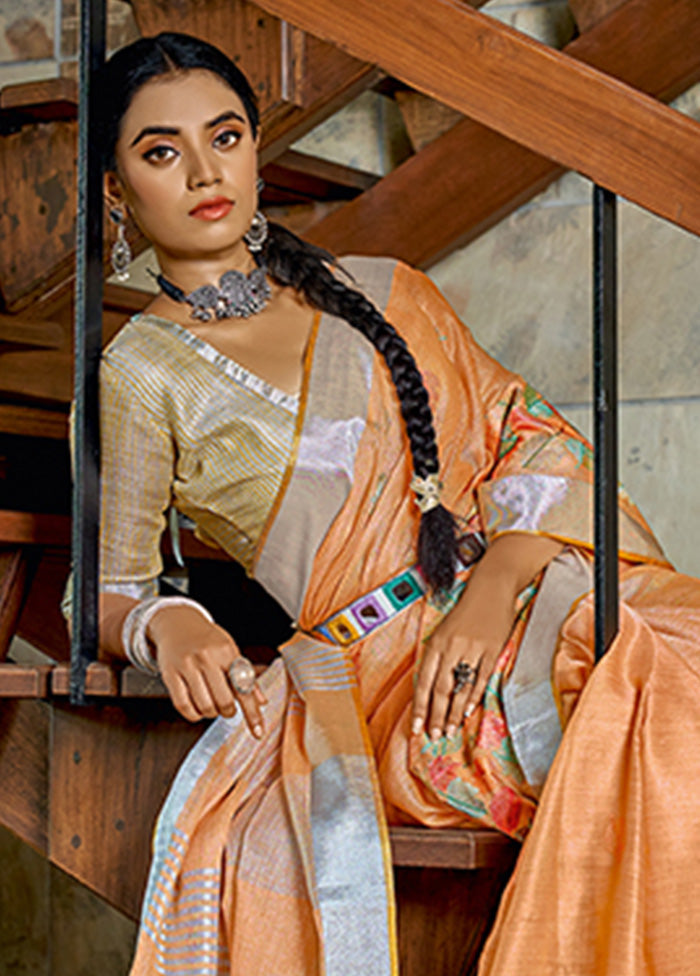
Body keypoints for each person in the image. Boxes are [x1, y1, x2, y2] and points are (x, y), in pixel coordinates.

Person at [82, 30, 700, 976]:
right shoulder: (141, 373)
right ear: (117, 192)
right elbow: (110, 587)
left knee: (675, 659)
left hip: (533, 595)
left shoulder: (387, 294)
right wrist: (168, 624)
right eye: (162, 151)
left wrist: (493, 588)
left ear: (256, 148)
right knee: (654, 687)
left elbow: (533, 439)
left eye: (228, 135)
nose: (206, 170)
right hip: (399, 686)